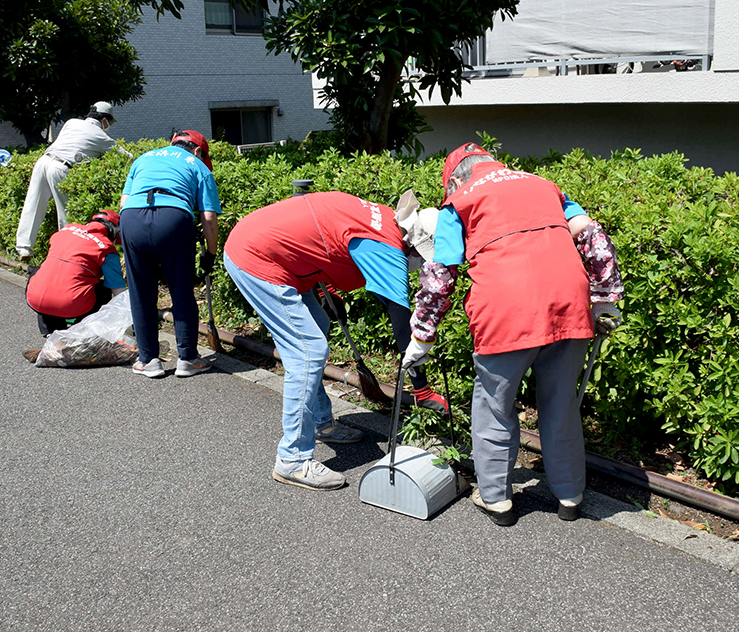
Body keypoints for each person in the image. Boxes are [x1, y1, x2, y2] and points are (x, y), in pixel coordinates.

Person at [402, 143, 624, 525]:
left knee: (494, 404)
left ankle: (497, 500)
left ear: (455, 179)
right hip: (568, 304)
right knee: (560, 401)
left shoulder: (460, 200)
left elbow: (440, 277)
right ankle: (570, 495)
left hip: (505, 309)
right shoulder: (545, 185)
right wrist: (606, 297)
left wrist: (422, 336)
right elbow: (593, 237)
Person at [223, 190, 448, 491]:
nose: (420, 267)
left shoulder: (384, 220)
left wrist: (331, 285)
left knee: (319, 324)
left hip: (277, 254)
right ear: (416, 248)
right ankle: (292, 459)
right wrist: (422, 390)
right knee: (308, 352)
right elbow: (403, 328)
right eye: (423, 261)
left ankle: (322, 423)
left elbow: (324, 233)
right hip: (257, 258)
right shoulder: (387, 249)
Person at [118, 130, 220, 379]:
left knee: (141, 292)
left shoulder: (142, 159)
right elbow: (208, 218)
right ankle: (188, 360)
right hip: (173, 218)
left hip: (131, 218)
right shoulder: (198, 166)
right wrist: (210, 254)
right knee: (181, 288)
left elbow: (123, 202)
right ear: (197, 151)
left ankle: (148, 361)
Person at [15, 102, 130, 259]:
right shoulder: (101, 137)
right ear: (104, 119)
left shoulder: (71, 123)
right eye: (109, 122)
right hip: (61, 167)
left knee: (33, 204)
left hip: (43, 162)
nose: (108, 125)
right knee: (66, 213)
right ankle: (65, 253)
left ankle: (24, 247)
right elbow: (126, 156)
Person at [25, 210, 126, 335]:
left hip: (36, 299)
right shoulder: (106, 248)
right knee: (103, 290)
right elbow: (118, 290)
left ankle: (51, 332)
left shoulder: (65, 230)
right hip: (72, 304)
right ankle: (80, 332)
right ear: (115, 231)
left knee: (42, 273)